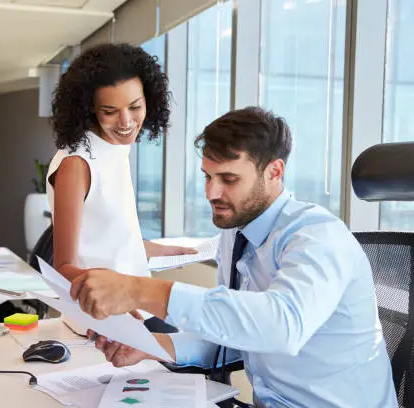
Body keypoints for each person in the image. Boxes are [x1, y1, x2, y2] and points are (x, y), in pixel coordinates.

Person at [70, 107, 398, 407]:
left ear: (274, 171)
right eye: (207, 177)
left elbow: (281, 325)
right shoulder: (236, 232)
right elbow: (233, 337)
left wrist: (139, 291)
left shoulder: (317, 238)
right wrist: (151, 344)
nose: (211, 193)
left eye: (228, 180)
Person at [47, 43, 195, 331]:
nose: (126, 121)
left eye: (135, 106)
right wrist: (118, 297)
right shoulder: (77, 163)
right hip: (108, 318)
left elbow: (105, 238)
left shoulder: (113, 148)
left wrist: (160, 249)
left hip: (134, 306)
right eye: (110, 111)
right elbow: (64, 267)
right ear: (89, 109)